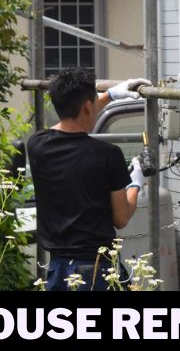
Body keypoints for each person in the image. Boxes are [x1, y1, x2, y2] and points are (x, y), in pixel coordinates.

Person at [26, 68, 150, 292]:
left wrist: (108, 96)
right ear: (87, 106)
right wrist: (135, 183)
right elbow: (121, 217)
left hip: (58, 268)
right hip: (96, 268)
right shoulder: (107, 154)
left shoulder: (38, 145)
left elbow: (72, 120)